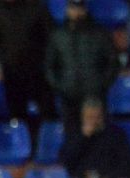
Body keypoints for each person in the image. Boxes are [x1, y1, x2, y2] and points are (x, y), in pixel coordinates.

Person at [0, 0, 58, 127]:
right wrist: (2, 56)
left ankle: (47, 142)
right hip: (12, 71)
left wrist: (39, 56)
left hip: (37, 71)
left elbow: (51, 35)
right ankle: (22, 143)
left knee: (48, 113)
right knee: (17, 115)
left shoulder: (37, 7)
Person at [45, 0, 119, 128]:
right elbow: (49, 66)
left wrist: (100, 85)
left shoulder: (100, 33)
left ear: (85, 10)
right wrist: (61, 86)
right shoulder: (58, 35)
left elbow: (113, 63)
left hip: (94, 97)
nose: (76, 12)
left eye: (79, 8)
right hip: (68, 98)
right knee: (71, 138)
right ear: (67, 10)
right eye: (73, 8)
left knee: (97, 137)